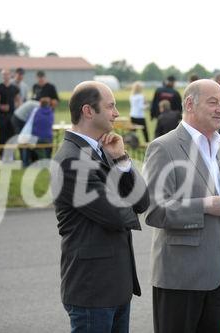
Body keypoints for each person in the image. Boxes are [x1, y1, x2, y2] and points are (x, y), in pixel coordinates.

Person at [143, 79, 220, 333]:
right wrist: (204, 205)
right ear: (189, 104)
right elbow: (154, 210)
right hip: (180, 277)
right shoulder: (163, 147)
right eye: (213, 102)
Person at [50, 81, 150, 333]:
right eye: (111, 106)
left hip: (115, 286)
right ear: (88, 111)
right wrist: (126, 204)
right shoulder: (71, 160)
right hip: (92, 291)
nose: (116, 113)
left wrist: (122, 159)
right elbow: (117, 215)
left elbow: (141, 201)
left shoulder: (103, 149)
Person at [0, 69, 20, 160]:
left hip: (12, 116)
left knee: (12, 136)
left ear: (10, 75)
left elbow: (18, 101)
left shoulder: (14, 88)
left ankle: (11, 155)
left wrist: (15, 107)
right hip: (2, 116)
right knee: (2, 136)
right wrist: (1, 107)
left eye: (7, 74)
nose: (5, 76)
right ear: (2, 76)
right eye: (3, 75)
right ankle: (1, 156)